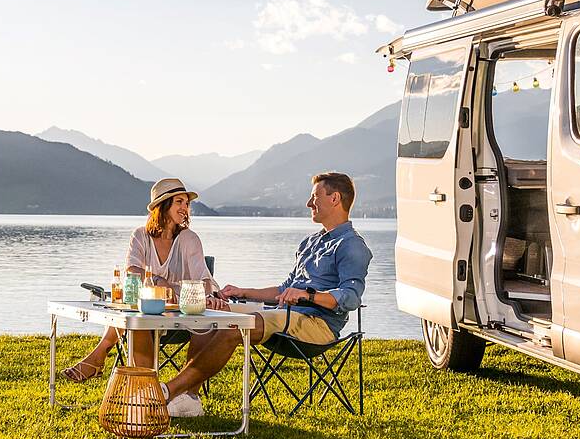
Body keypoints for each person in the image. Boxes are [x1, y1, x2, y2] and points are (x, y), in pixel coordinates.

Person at [160, 171, 372, 418]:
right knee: (211, 312)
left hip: (317, 325)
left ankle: (167, 391)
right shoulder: (310, 243)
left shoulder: (352, 245)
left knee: (234, 326)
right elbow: (284, 290)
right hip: (284, 316)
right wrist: (243, 291)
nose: (308, 203)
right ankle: (190, 399)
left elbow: (351, 297)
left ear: (334, 198)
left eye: (315, 197)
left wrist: (308, 296)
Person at [61, 178, 215, 383]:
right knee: (135, 314)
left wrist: (195, 293)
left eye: (187, 203)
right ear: (163, 205)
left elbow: (204, 280)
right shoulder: (140, 235)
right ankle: (145, 389)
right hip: (146, 309)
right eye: (179, 202)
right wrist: (158, 281)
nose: (185, 208)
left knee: (134, 313)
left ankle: (98, 357)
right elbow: (132, 271)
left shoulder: (189, 239)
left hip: (180, 315)